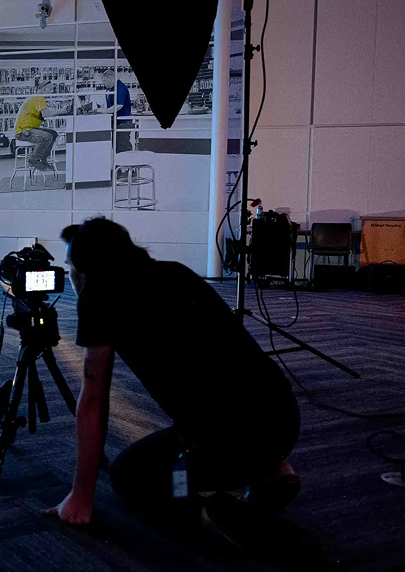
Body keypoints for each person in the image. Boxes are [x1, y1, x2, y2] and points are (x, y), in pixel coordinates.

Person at [45, 218, 301, 539]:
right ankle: (273, 471)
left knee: (128, 475)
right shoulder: (176, 271)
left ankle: (214, 513)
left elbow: (94, 398)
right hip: (283, 421)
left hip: (229, 440)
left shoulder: (99, 293)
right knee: (221, 404)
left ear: (83, 268)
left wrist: (81, 496)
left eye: (70, 266)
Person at [14, 96, 61, 171]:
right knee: (46, 137)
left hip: (29, 129)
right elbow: (46, 114)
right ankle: (33, 160)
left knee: (53, 133)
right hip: (22, 132)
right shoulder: (38, 100)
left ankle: (43, 159)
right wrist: (61, 111)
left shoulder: (32, 104)